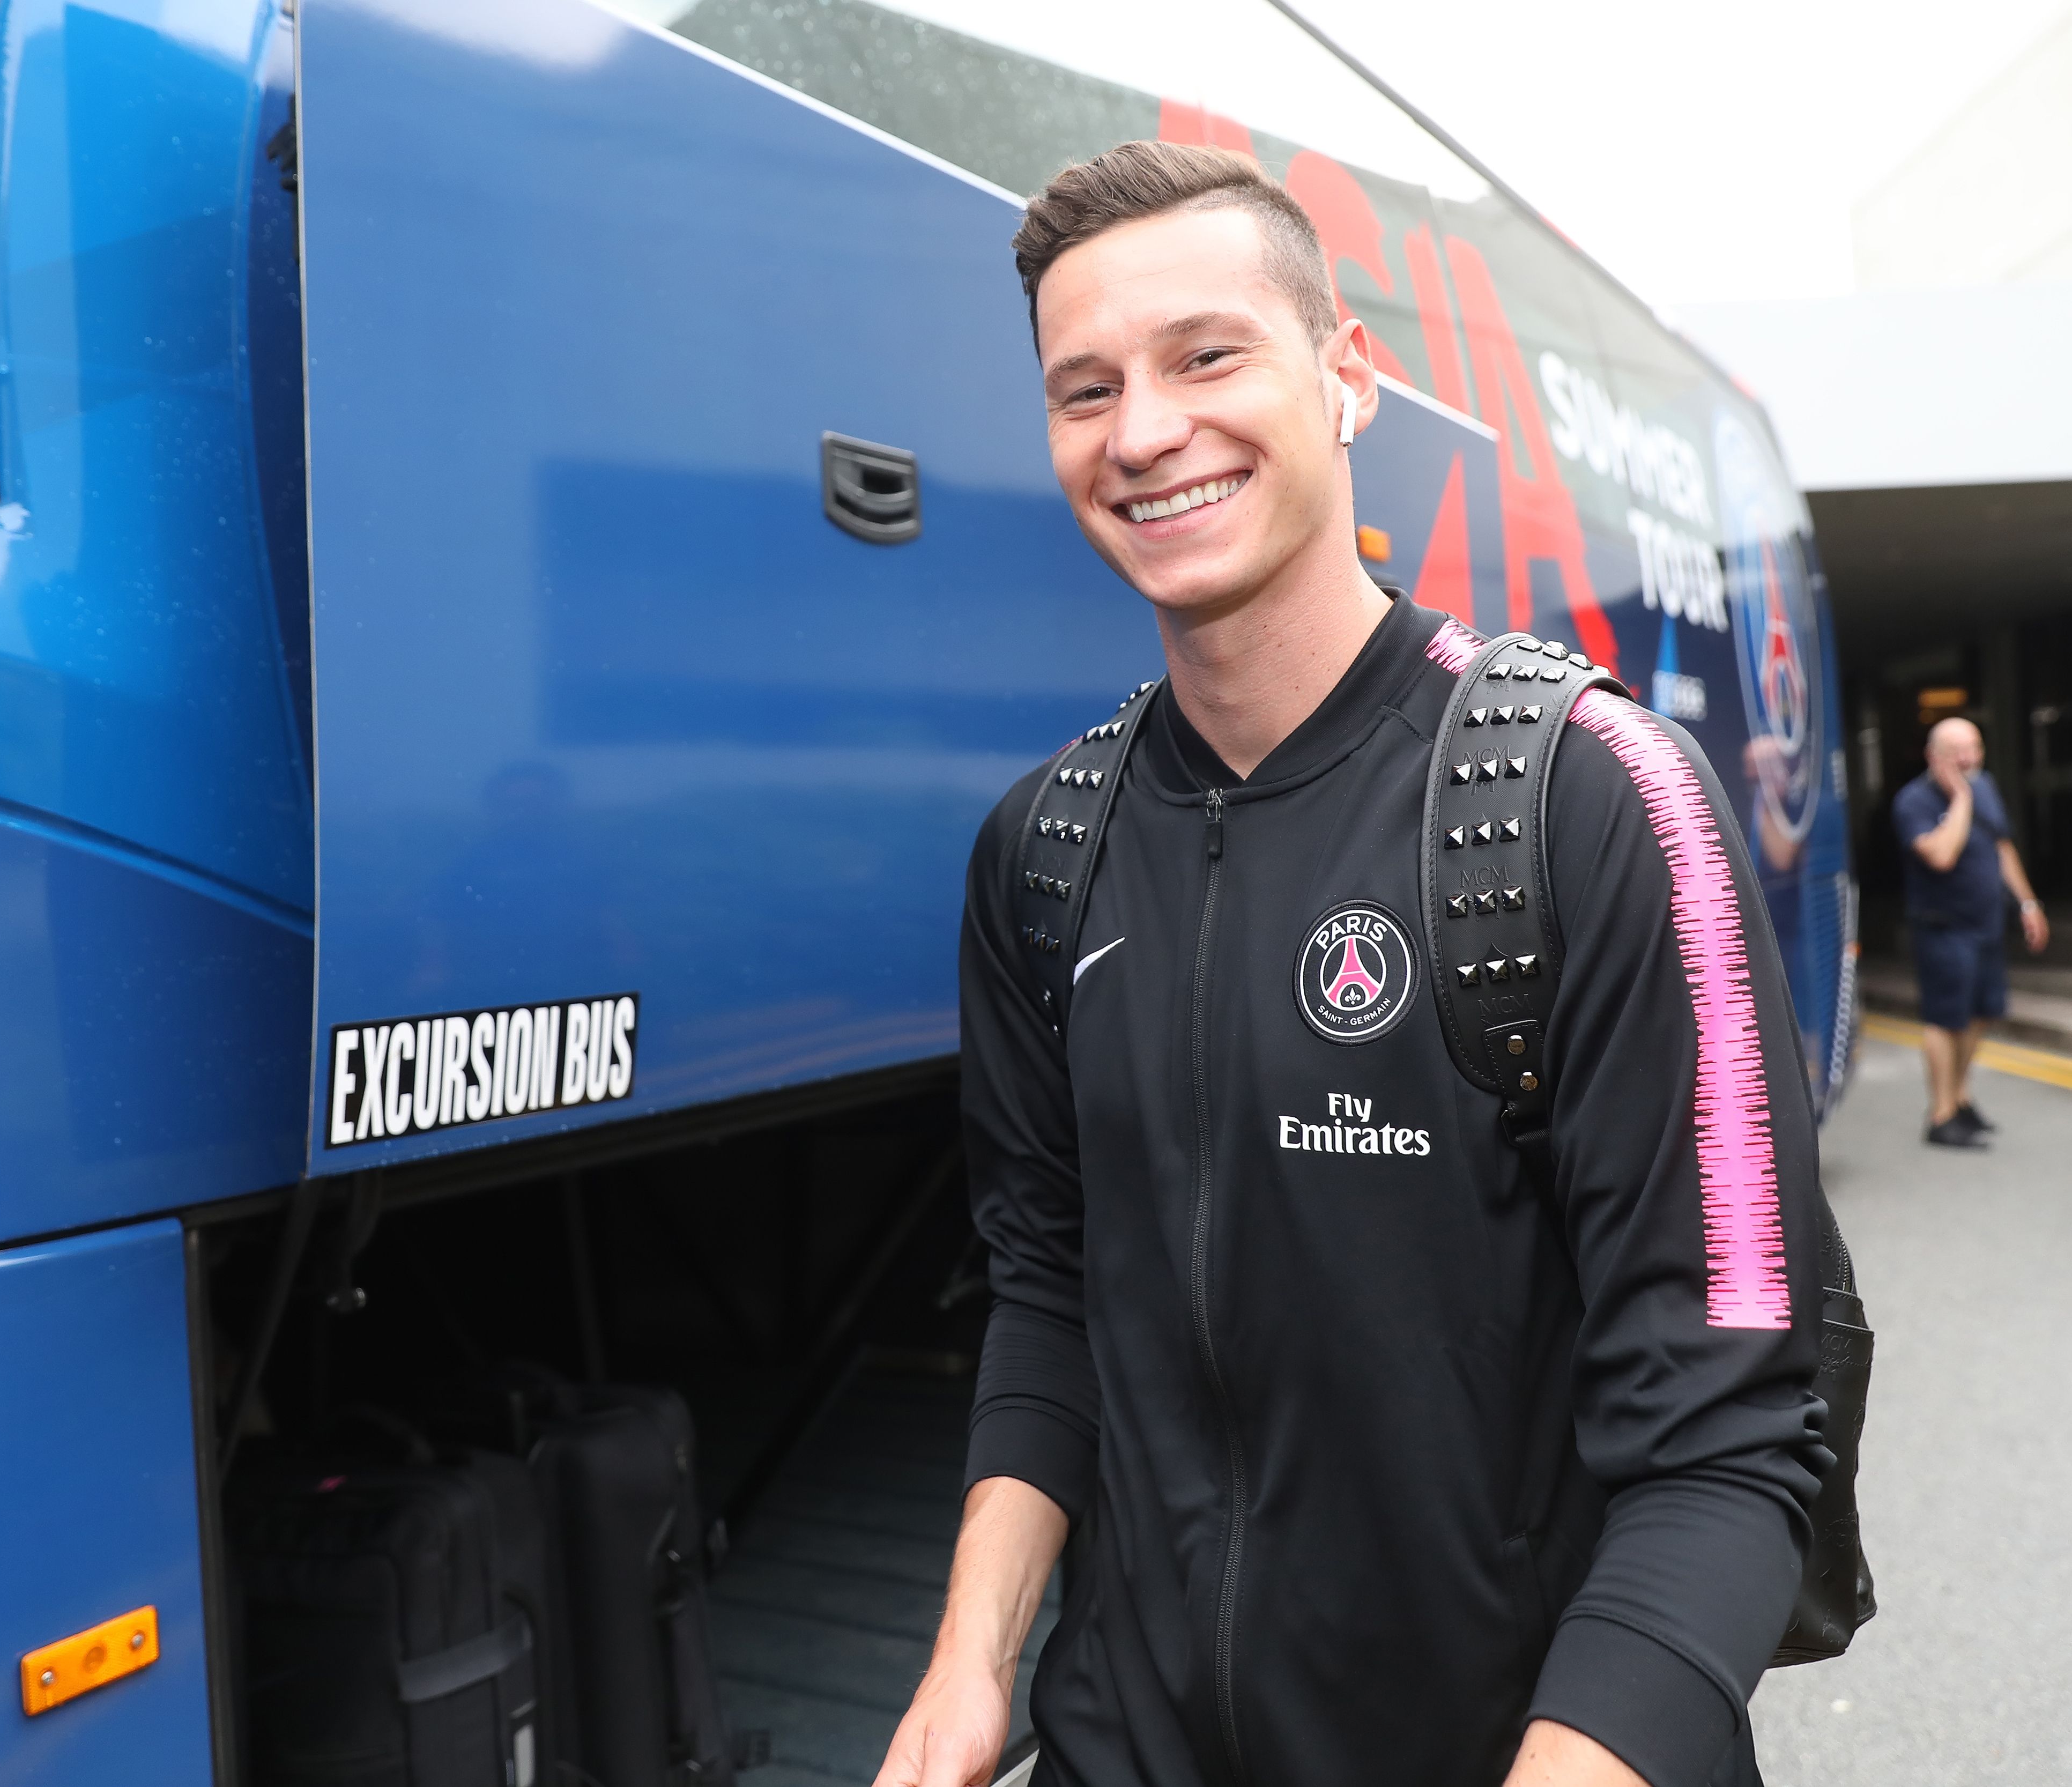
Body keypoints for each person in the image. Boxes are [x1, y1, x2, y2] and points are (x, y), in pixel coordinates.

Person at [874, 143, 1833, 1787]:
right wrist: (965, 1672)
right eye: (1083, 388)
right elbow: (1046, 1299)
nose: (1143, 431)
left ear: (1344, 377)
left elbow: (1729, 1449)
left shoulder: (1592, 802)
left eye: (1204, 355)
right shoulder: (1041, 851)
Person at [1894, 716, 2049, 1146]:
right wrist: (1960, 795)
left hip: (1987, 925)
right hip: (1944, 929)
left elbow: (2002, 847)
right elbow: (1942, 855)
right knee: (1946, 1019)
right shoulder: (1914, 802)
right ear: (1933, 756)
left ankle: (1960, 1097)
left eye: (1974, 749)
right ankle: (1941, 1114)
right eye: (1957, 751)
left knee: (1981, 1013)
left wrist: (2029, 903)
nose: (1968, 759)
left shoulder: (1986, 786)